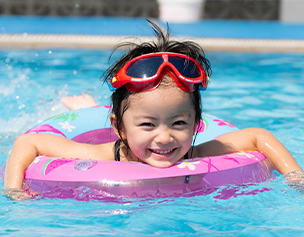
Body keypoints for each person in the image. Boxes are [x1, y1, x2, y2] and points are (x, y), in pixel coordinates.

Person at [4, 21, 302, 199]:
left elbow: (258, 136)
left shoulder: (196, 152)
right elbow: (28, 142)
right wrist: (14, 191)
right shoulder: (100, 154)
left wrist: (295, 176)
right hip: (106, 136)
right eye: (148, 125)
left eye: (179, 123)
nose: (164, 137)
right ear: (119, 128)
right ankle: (88, 108)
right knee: (96, 113)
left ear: (198, 124)